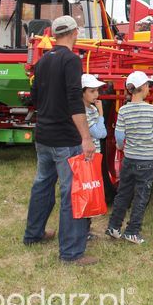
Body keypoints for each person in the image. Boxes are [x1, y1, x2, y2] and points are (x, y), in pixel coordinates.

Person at [23, 15, 98, 265]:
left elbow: (34, 95)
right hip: (65, 139)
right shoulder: (71, 60)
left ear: (54, 35)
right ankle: (71, 253)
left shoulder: (43, 61)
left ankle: (33, 234)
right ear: (75, 32)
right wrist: (86, 137)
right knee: (71, 193)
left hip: (43, 135)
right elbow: (74, 101)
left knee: (42, 184)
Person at [105, 71, 153, 245]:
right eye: (148, 86)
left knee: (123, 194)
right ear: (144, 88)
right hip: (145, 161)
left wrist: (120, 146)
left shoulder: (123, 110)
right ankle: (132, 231)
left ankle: (114, 227)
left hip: (129, 159)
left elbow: (119, 135)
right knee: (141, 196)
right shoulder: (151, 109)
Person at [82, 73, 107, 240]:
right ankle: (83, 230)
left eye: (97, 90)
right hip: (87, 157)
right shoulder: (86, 111)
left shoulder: (89, 109)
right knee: (85, 192)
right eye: (92, 91)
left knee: (88, 192)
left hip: (92, 155)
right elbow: (100, 133)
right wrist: (101, 113)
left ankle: (86, 229)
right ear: (82, 92)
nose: (96, 95)